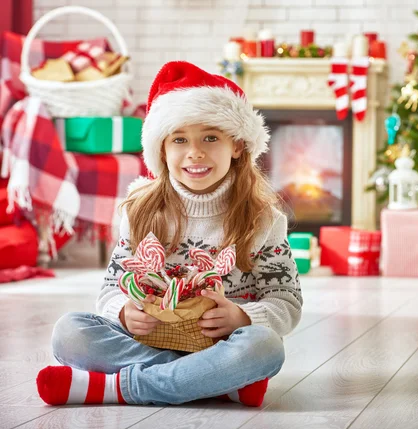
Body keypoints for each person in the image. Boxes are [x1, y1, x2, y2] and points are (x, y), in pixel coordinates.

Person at [35, 61, 303, 407]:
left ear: (237, 145)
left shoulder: (263, 220)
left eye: (210, 137)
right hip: (149, 341)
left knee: (264, 348)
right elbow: (111, 290)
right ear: (161, 148)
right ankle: (212, 382)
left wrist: (241, 316)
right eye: (180, 139)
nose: (195, 152)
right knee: (69, 332)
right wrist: (123, 312)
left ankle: (115, 389)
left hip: (221, 344)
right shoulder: (139, 210)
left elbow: (286, 302)